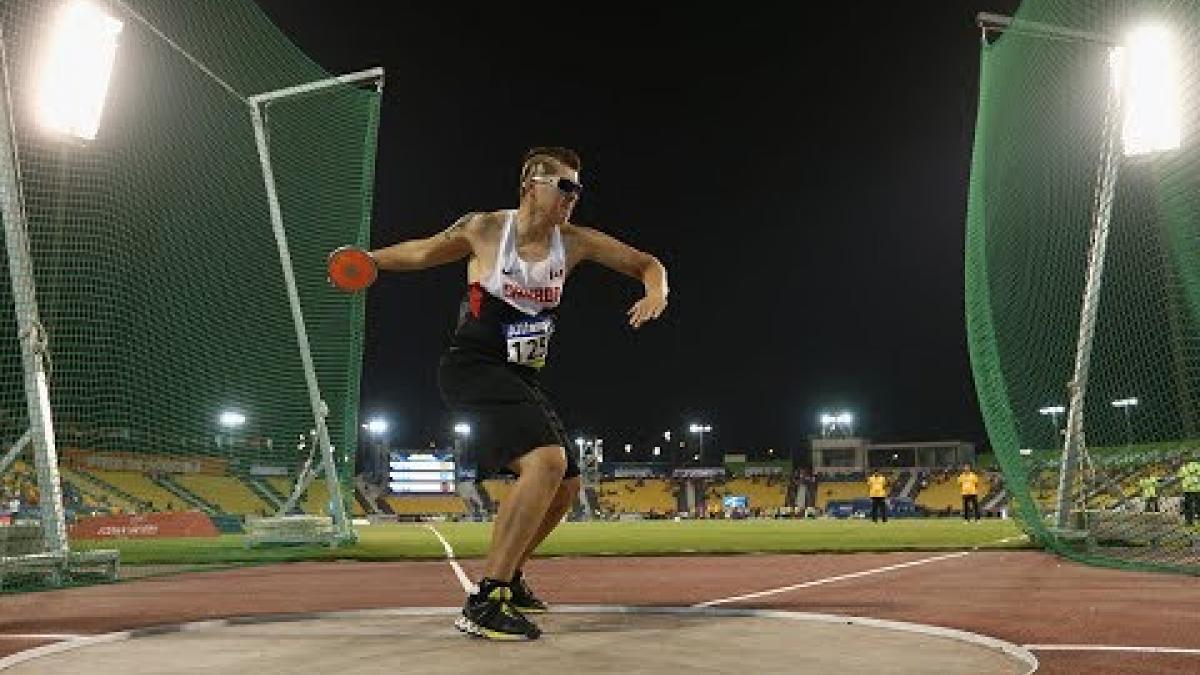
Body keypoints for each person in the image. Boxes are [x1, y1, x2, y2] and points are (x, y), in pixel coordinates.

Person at [364, 147, 668, 640]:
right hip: (472, 366)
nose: (573, 198)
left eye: (578, 190)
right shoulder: (485, 228)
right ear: (532, 184)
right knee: (546, 461)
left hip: (522, 377)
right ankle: (487, 600)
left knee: (567, 481)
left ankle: (513, 575)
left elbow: (645, 263)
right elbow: (421, 251)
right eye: (564, 187)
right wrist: (369, 261)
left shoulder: (574, 244)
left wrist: (657, 292)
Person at [1179, 456, 1200, 527]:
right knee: (1197, 504)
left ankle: (1189, 521)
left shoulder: (1183, 468)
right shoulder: (1197, 465)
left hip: (1188, 489)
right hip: (1196, 488)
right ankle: (1194, 519)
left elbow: (1180, 477)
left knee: (1188, 506)